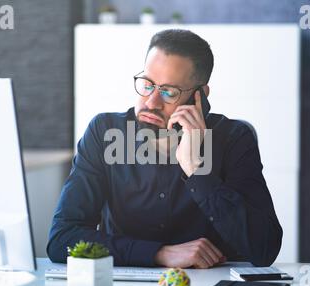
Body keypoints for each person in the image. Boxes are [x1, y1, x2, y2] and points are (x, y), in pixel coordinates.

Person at [47, 29, 282, 268]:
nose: (151, 103)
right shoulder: (103, 132)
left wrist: (196, 170)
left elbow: (264, 248)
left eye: (169, 92)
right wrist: (159, 254)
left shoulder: (234, 139)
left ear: (199, 96)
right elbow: (62, 239)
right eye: (147, 84)